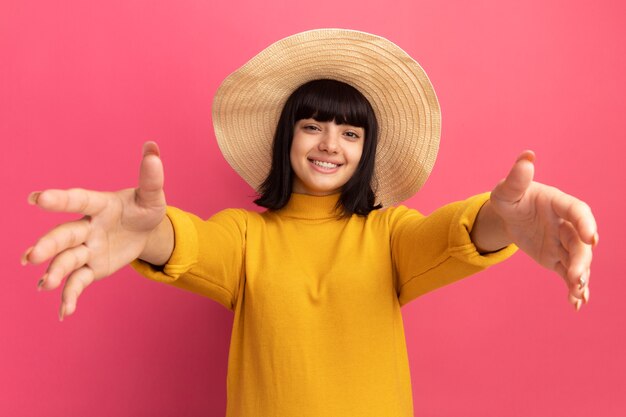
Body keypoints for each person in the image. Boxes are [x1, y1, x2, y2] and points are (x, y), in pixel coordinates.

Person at [21, 29, 597, 416]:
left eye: (350, 133)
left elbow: (450, 236)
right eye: (313, 126)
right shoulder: (247, 236)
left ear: (366, 151)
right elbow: (193, 244)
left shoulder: (388, 234)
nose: (330, 145)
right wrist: (147, 229)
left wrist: (501, 216)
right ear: (287, 137)